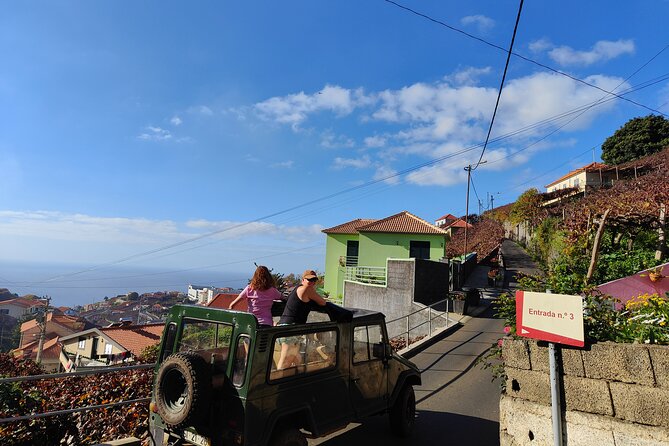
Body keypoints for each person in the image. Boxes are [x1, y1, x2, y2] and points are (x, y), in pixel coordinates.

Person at [276, 269, 327, 369]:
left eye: (314, 280)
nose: (312, 282)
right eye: (309, 280)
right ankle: (276, 383)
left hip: (287, 328)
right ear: (303, 280)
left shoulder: (297, 289)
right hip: (290, 329)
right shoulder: (306, 289)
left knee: (297, 359)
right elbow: (323, 302)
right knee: (285, 362)